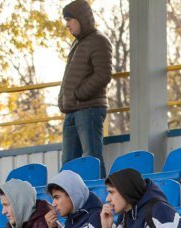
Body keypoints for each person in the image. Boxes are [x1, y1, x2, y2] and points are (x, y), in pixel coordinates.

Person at [58, 0, 112, 175]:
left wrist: (78, 94)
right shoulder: (77, 43)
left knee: (92, 159)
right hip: (72, 111)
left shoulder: (99, 41)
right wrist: (64, 100)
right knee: (68, 164)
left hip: (89, 110)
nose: (67, 25)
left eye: (69, 20)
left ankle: (101, 192)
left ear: (81, 19)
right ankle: (70, 194)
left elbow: (103, 75)